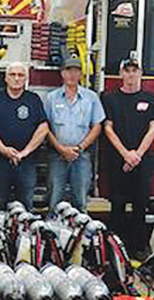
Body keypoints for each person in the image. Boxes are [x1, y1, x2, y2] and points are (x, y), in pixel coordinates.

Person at [103, 56, 154, 259]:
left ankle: (139, 247)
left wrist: (137, 155)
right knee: (117, 204)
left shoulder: (151, 98)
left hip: (142, 160)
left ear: (141, 73)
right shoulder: (109, 98)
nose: (131, 75)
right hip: (117, 160)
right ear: (121, 74)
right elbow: (108, 128)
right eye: (127, 71)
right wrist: (125, 154)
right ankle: (115, 248)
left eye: (135, 71)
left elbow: (152, 128)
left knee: (141, 203)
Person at [0, 62, 49, 211]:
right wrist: (3, 149)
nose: (17, 78)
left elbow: (43, 127)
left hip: (27, 163)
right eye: (12, 75)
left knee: (25, 205)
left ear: (26, 78)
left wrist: (24, 152)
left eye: (21, 75)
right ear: (6, 78)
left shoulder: (33, 100)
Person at [44, 58, 105, 213]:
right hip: (57, 156)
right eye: (68, 70)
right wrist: (60, 148)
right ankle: (53, 232)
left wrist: (79, 148)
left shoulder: (91, 98)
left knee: (80, 201)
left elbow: (97, 126)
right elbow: (44, 127)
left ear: (81, 74)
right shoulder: (51, 98)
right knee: (54, 200)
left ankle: (81, 236)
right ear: (62, 73)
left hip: (82, 156)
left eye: (76, 71)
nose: (72, 74)